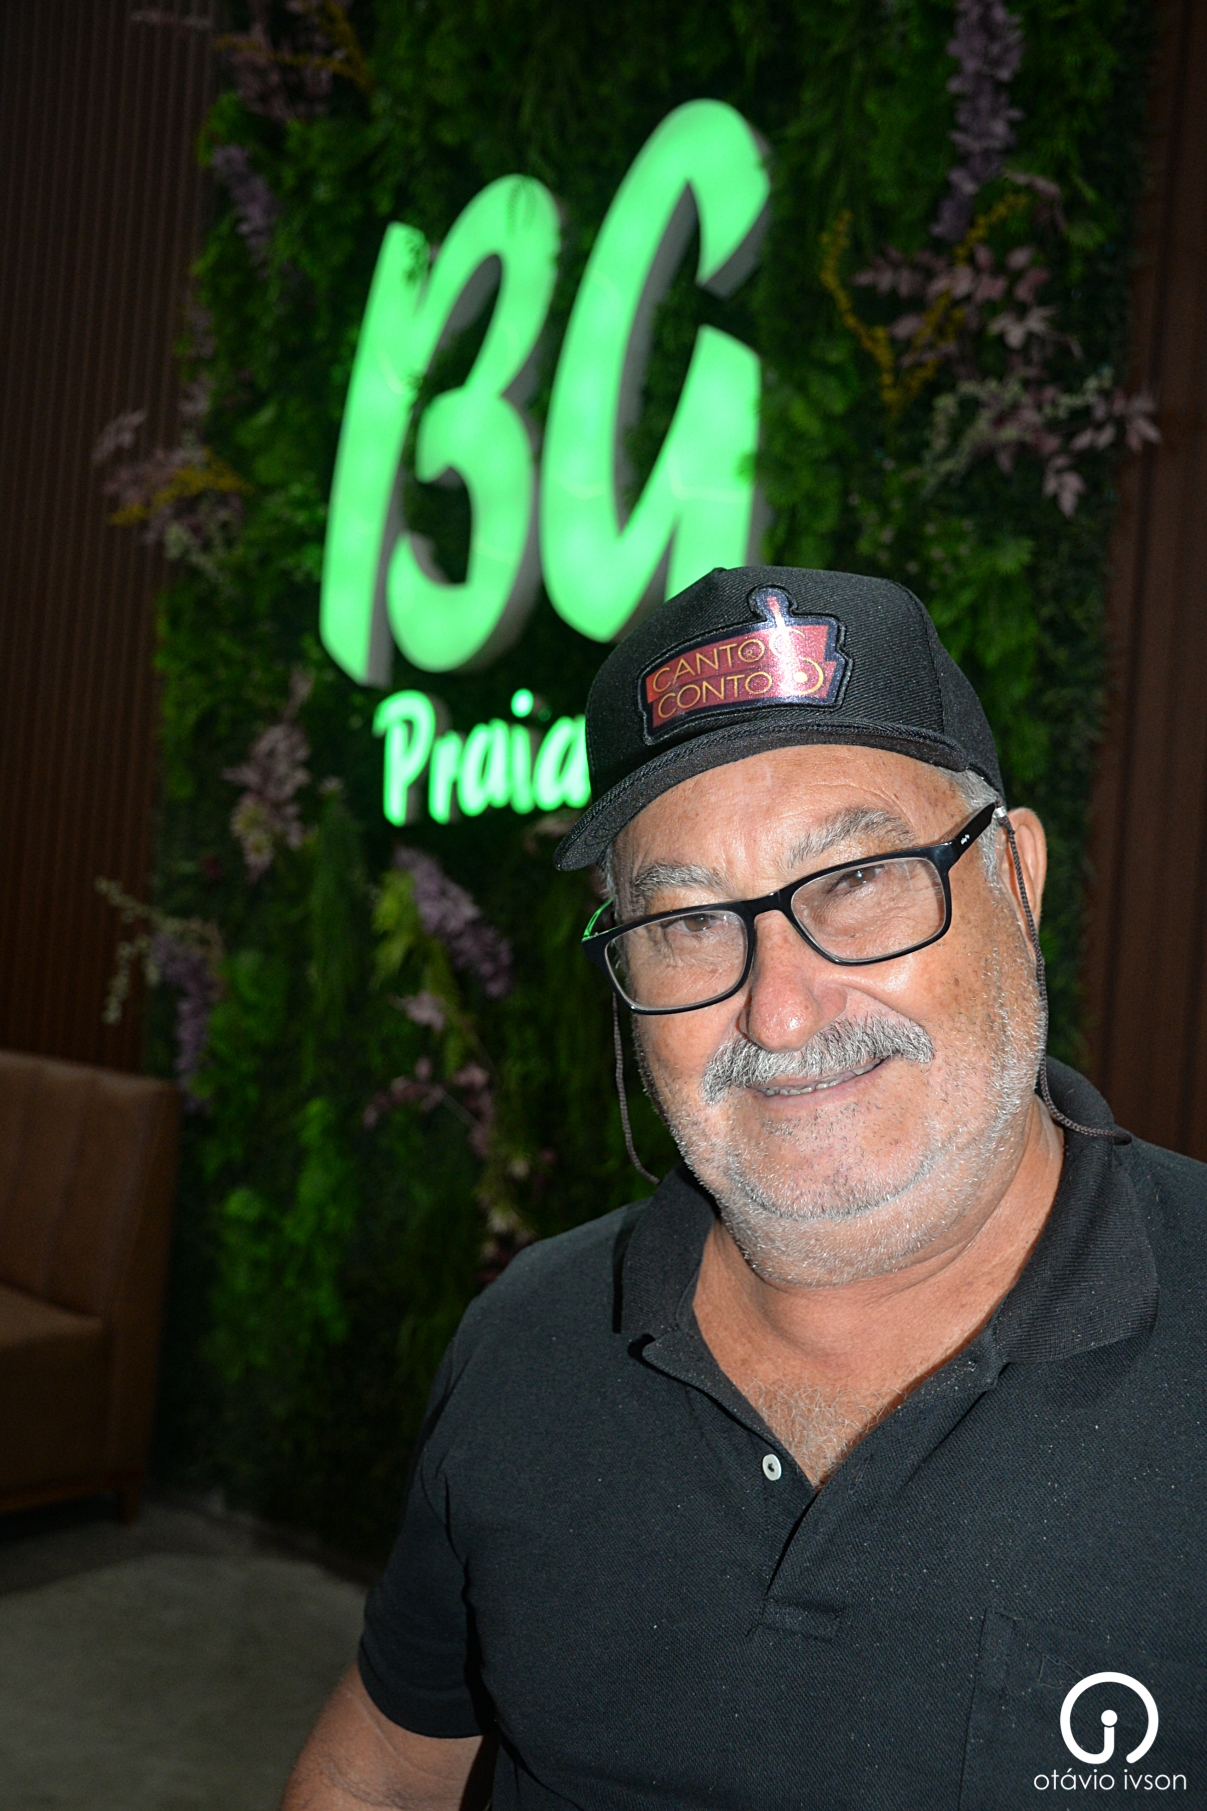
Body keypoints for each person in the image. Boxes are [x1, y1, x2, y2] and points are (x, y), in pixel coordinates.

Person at [283, 568, 1206, 1810]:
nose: (778, 1010)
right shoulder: (530, 1336)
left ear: (1017, 879)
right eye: (687, 923)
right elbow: (380, 1770)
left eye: (858, 878)